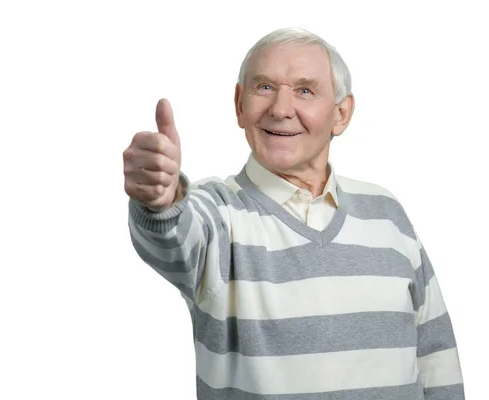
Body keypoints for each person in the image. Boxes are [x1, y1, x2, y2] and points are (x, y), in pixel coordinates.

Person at [123, 27, 465, 399]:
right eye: (264, 87)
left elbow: (435, 354)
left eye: (304, 90)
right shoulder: (219, 215)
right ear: (240, 104)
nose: (281, 109)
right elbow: (175, 236)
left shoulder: (387, 213)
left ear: (341, 114)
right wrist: (161, 202)